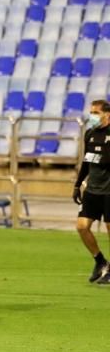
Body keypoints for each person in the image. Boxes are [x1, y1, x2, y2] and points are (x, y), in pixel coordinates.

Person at [72, 99, 110, 283]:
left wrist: (100, 157)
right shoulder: (90, 134)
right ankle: (100, 260)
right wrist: (77, 185)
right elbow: (87, 162)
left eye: (96, 112)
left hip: (109, 190)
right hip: (92, 189)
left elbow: (105, 160)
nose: (92, 116)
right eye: (91, 112)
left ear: (107, 114)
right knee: (81, 226)